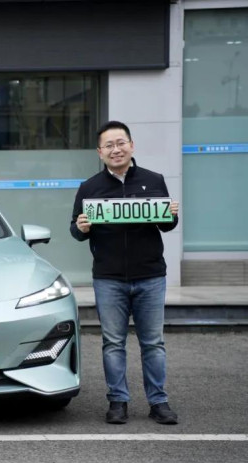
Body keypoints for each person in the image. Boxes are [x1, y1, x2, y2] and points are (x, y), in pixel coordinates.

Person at [70, 120, 179, 425]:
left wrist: (171, 215)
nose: (115, 149)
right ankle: (118, 402)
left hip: (150, 275)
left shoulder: (154, 180)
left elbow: (167, 225)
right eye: (109, 145)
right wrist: (80, 228)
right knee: (113, 343)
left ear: (131, 146)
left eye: (121, 143)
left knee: (153, 343)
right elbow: (75, 230)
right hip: (109, 278)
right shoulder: (89, 188)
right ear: (100, 152)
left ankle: (159, 402)